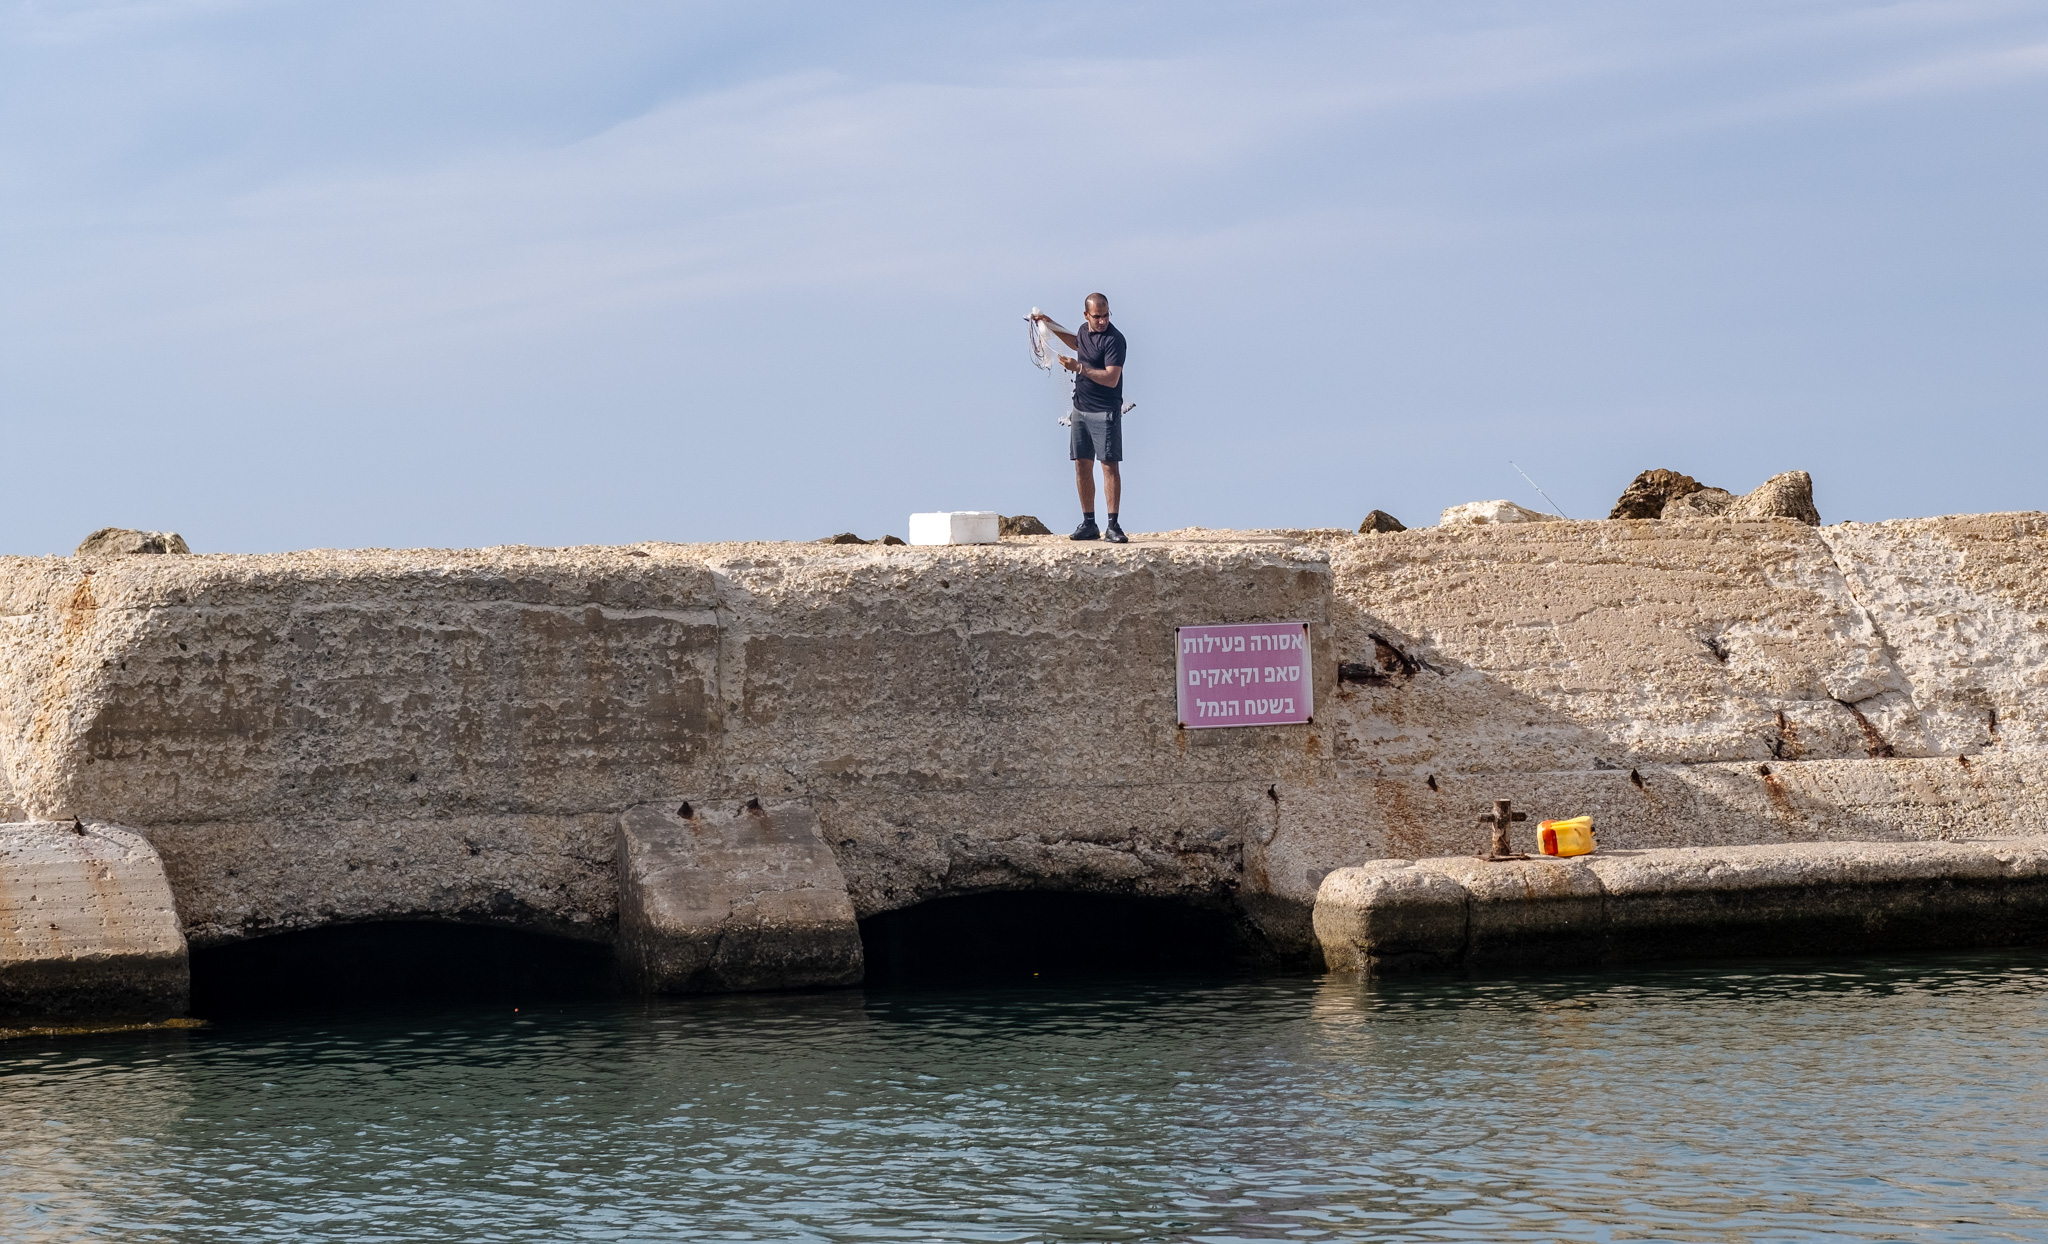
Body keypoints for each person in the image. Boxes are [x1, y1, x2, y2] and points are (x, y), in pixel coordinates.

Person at [1032, 293, 1127, 543]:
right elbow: (1077, 342)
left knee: (1109, 466)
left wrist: (1080, 368)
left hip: (1105, 410)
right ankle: (1089, 523)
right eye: (1097, 317)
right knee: (1082, 464)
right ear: (1087, 315)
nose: (1102, 321)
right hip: (1080, 409)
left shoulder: (1115, 340)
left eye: (1105, 315)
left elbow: (1111, 378)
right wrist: (1049, 323)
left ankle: (1113, 525)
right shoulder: (1084, 331)